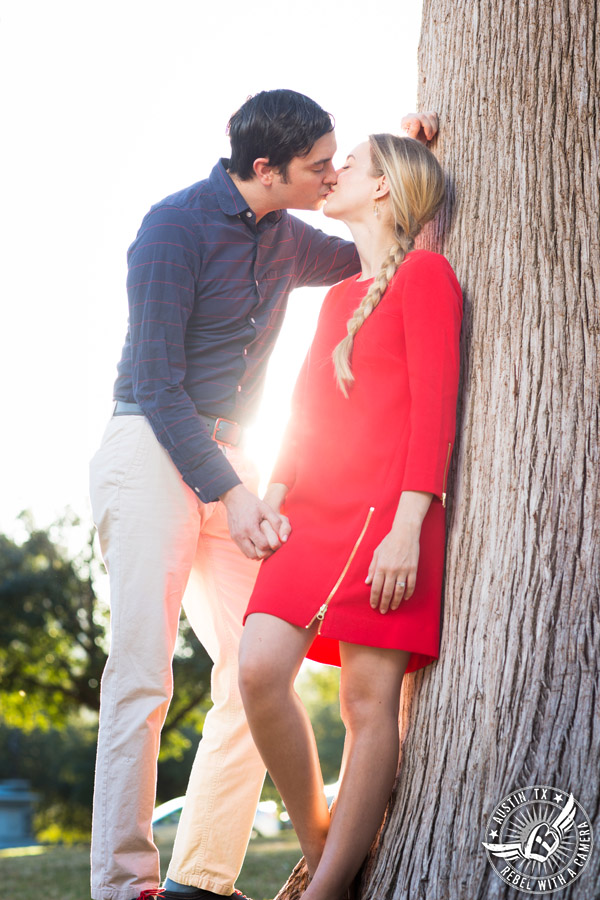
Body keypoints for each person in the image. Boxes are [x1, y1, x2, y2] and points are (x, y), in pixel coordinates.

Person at [89, 88, 437, 900]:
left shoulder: (287, 238)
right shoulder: (172, 229)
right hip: (149, 443)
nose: (329, 175)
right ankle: (121, 883)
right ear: (263, 168)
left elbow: (374, 251)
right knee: (141, 673)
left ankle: (199, 879)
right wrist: (233, 495)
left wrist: (410, 156)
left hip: (232, 456)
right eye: (319, 166)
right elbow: (156, 383)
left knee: (254, 668)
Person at [239, 134, 462, 900]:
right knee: (259, 669)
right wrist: (271, 499)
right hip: (309, 515)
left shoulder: (430, 277)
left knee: (368, 708)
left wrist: (408, 525)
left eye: (352, 163)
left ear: (383, 192)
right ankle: (323, 842)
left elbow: (435, 413)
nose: (333, 173)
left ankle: (328, 890)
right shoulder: (336, 296)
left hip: (388, 521)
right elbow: (301, 414)